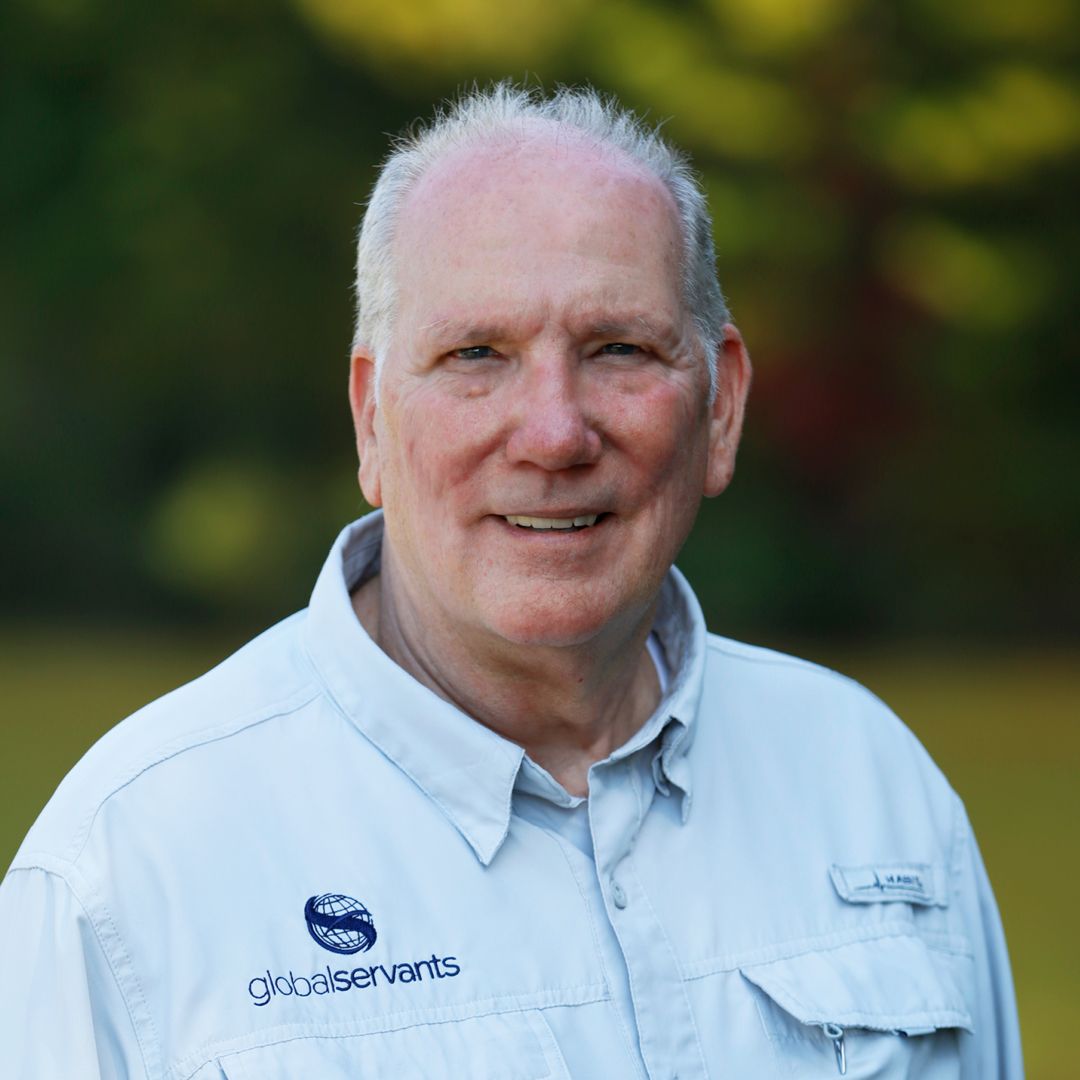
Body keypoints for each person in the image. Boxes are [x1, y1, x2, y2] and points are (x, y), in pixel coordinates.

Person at [0, 84, 1022, 1078]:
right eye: (476, 353)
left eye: (618, 348)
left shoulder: (873, 787)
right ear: (371, 417)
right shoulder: (129, 870)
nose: (554, 432)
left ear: (720, 408)